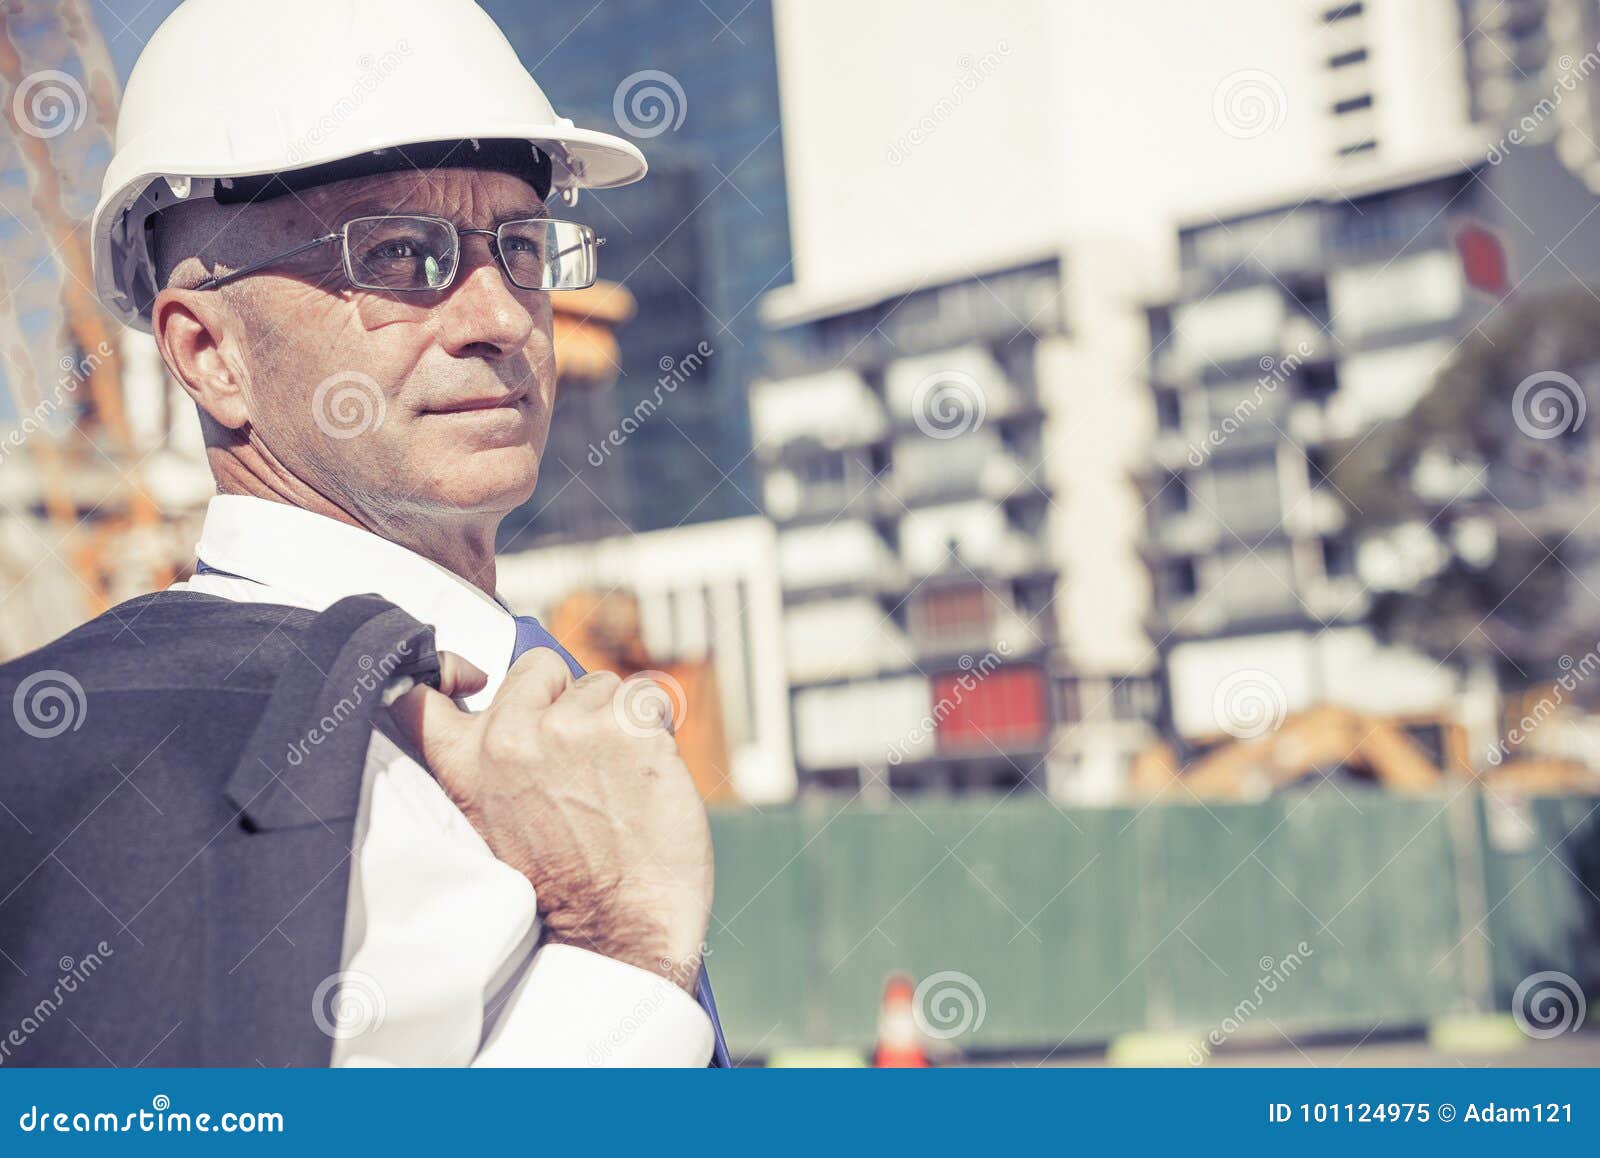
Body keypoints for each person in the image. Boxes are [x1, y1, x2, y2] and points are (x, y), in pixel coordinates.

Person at [0, 0, 724, 1066]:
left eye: (520, 246)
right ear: (209, 355)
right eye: (396, 254)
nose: (500, 317)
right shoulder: (141, 763)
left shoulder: (514, 693)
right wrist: (622, 954)